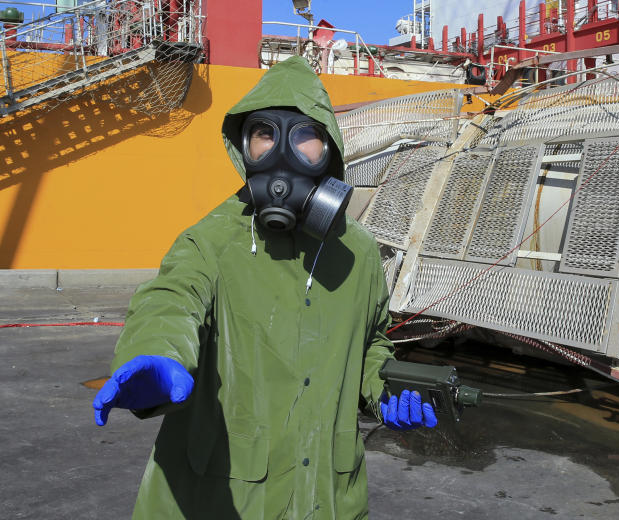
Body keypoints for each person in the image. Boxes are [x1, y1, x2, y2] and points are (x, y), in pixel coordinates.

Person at [92, 56, 436, 519]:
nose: (281, 156)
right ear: (244, 148)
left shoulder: (358, 251)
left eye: (303, 139)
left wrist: (386, 387)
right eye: (264, 136)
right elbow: (171, 302)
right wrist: (155, 351)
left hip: (327, 499)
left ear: (328, 151)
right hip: (220, 500)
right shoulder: (210, 240)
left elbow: (371, 341)